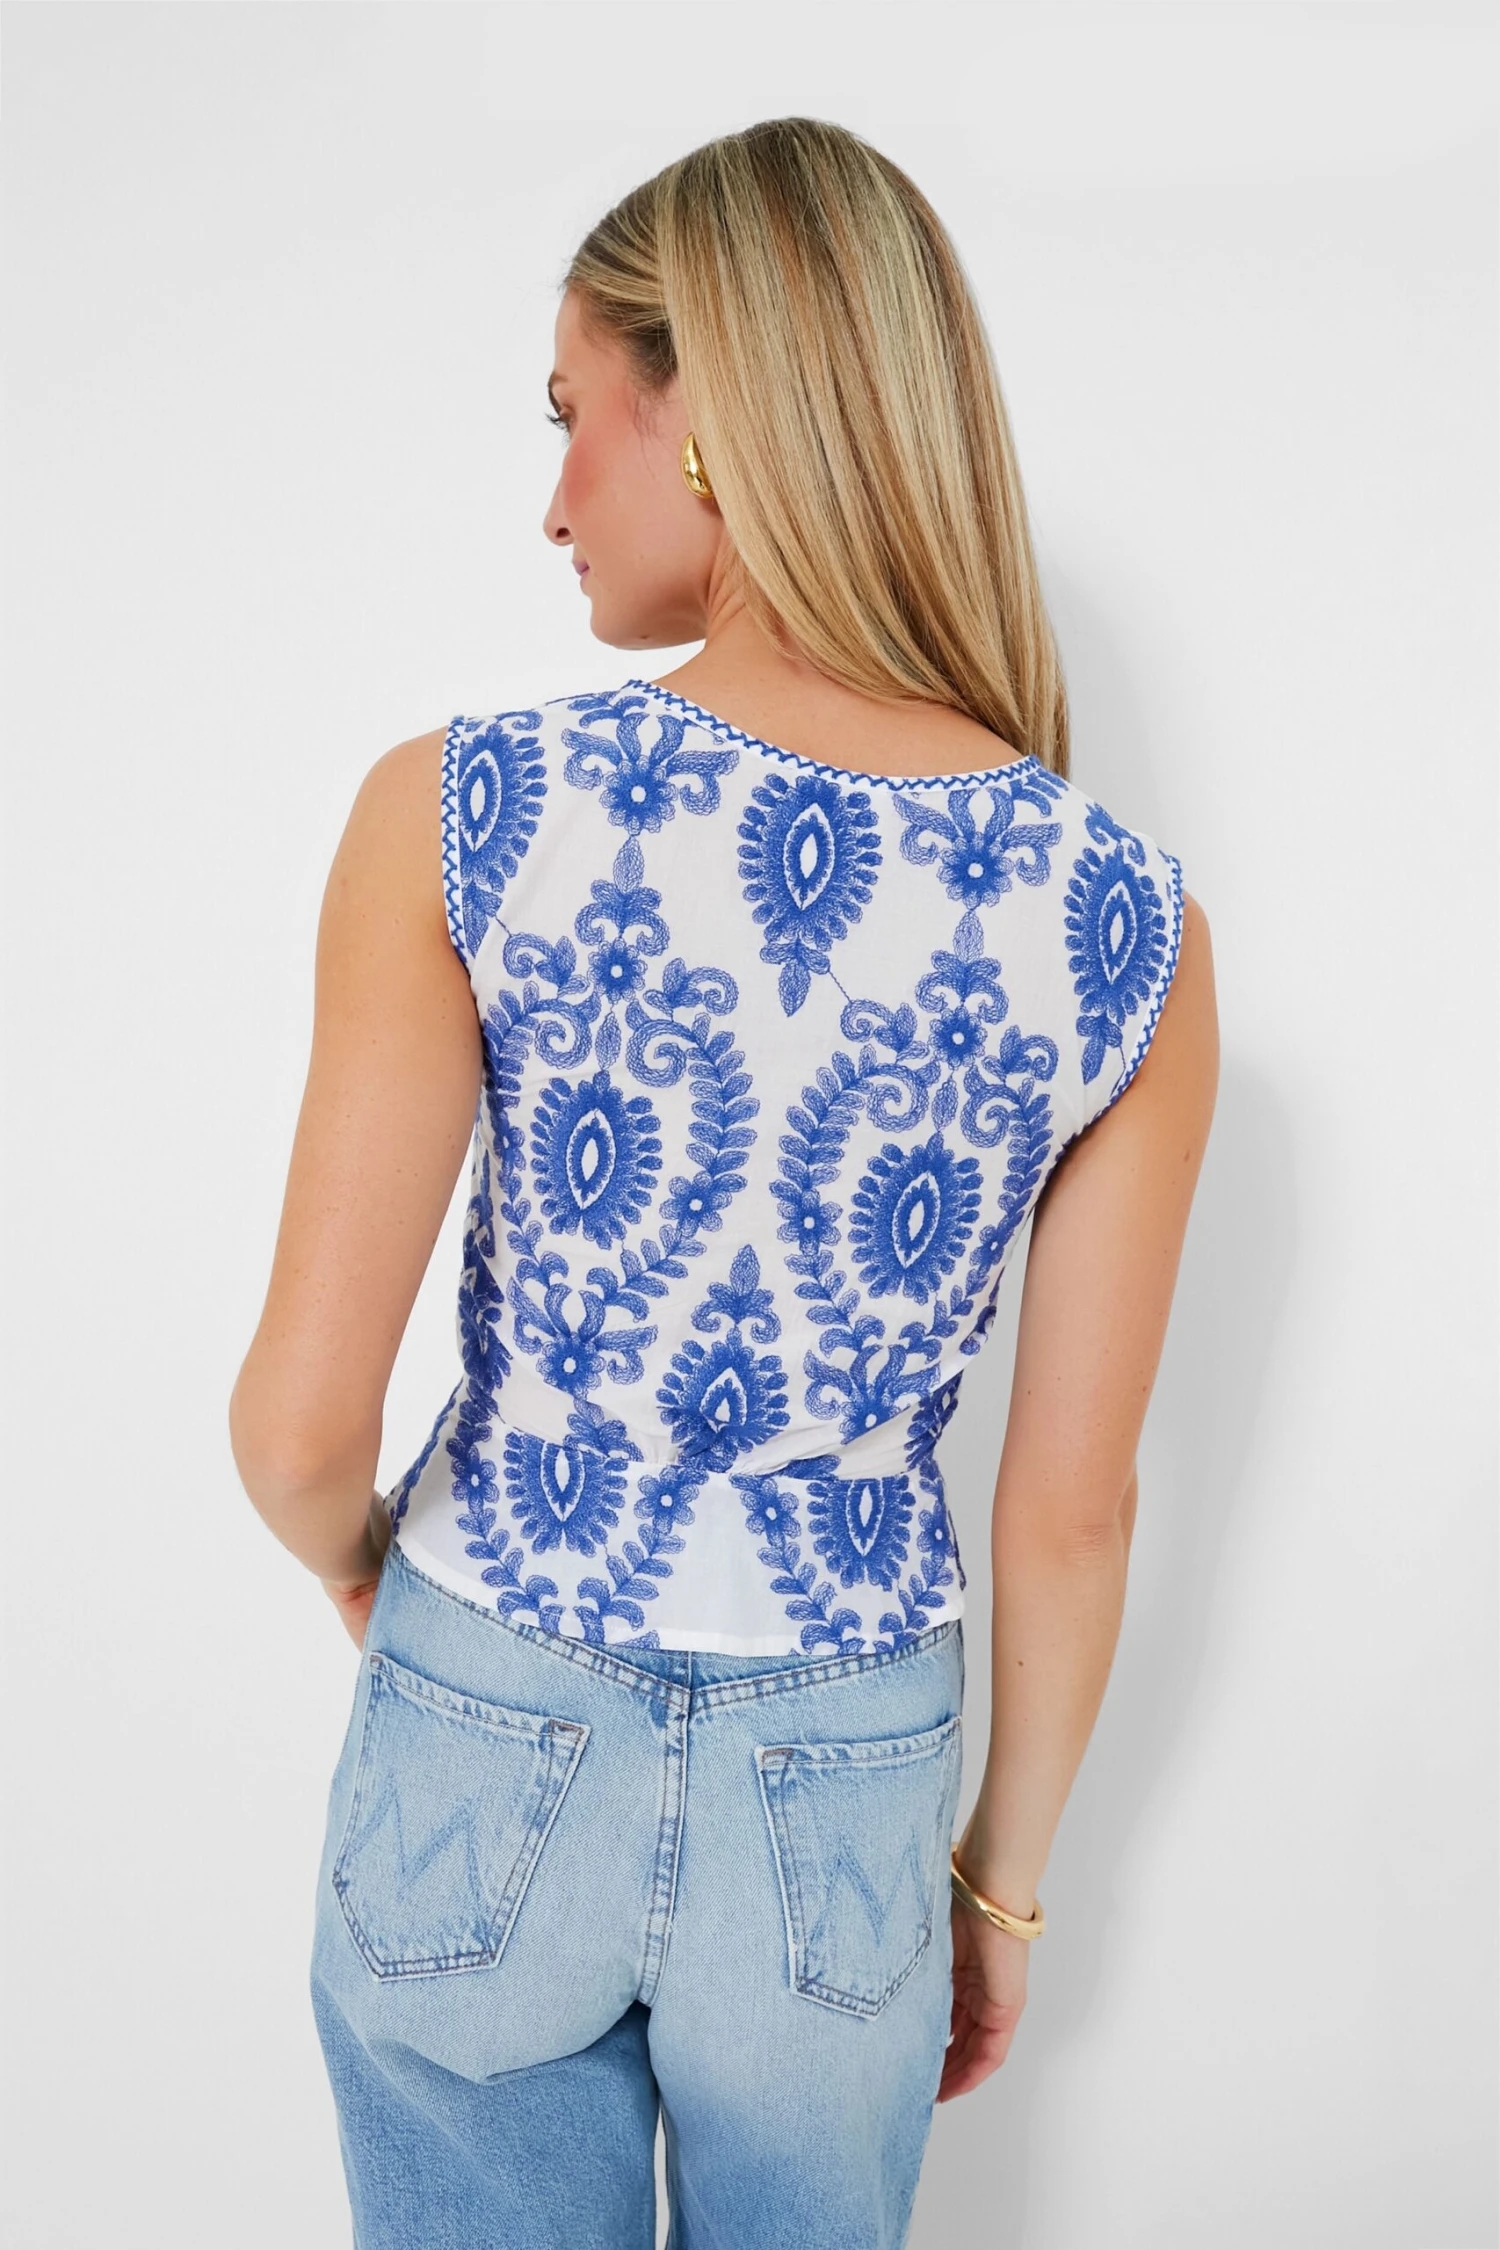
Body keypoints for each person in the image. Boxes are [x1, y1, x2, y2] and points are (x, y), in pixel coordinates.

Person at [230, 116, 1218, 2250]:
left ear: (712, 416)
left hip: (491, 1668)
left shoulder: (465, 808)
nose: (553, 498)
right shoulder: (1126, 924)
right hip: (845, 1776)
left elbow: (298, 1428)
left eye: (572, 413)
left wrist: (374, 1584)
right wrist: (1000, 1890)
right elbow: (1070, 1513)